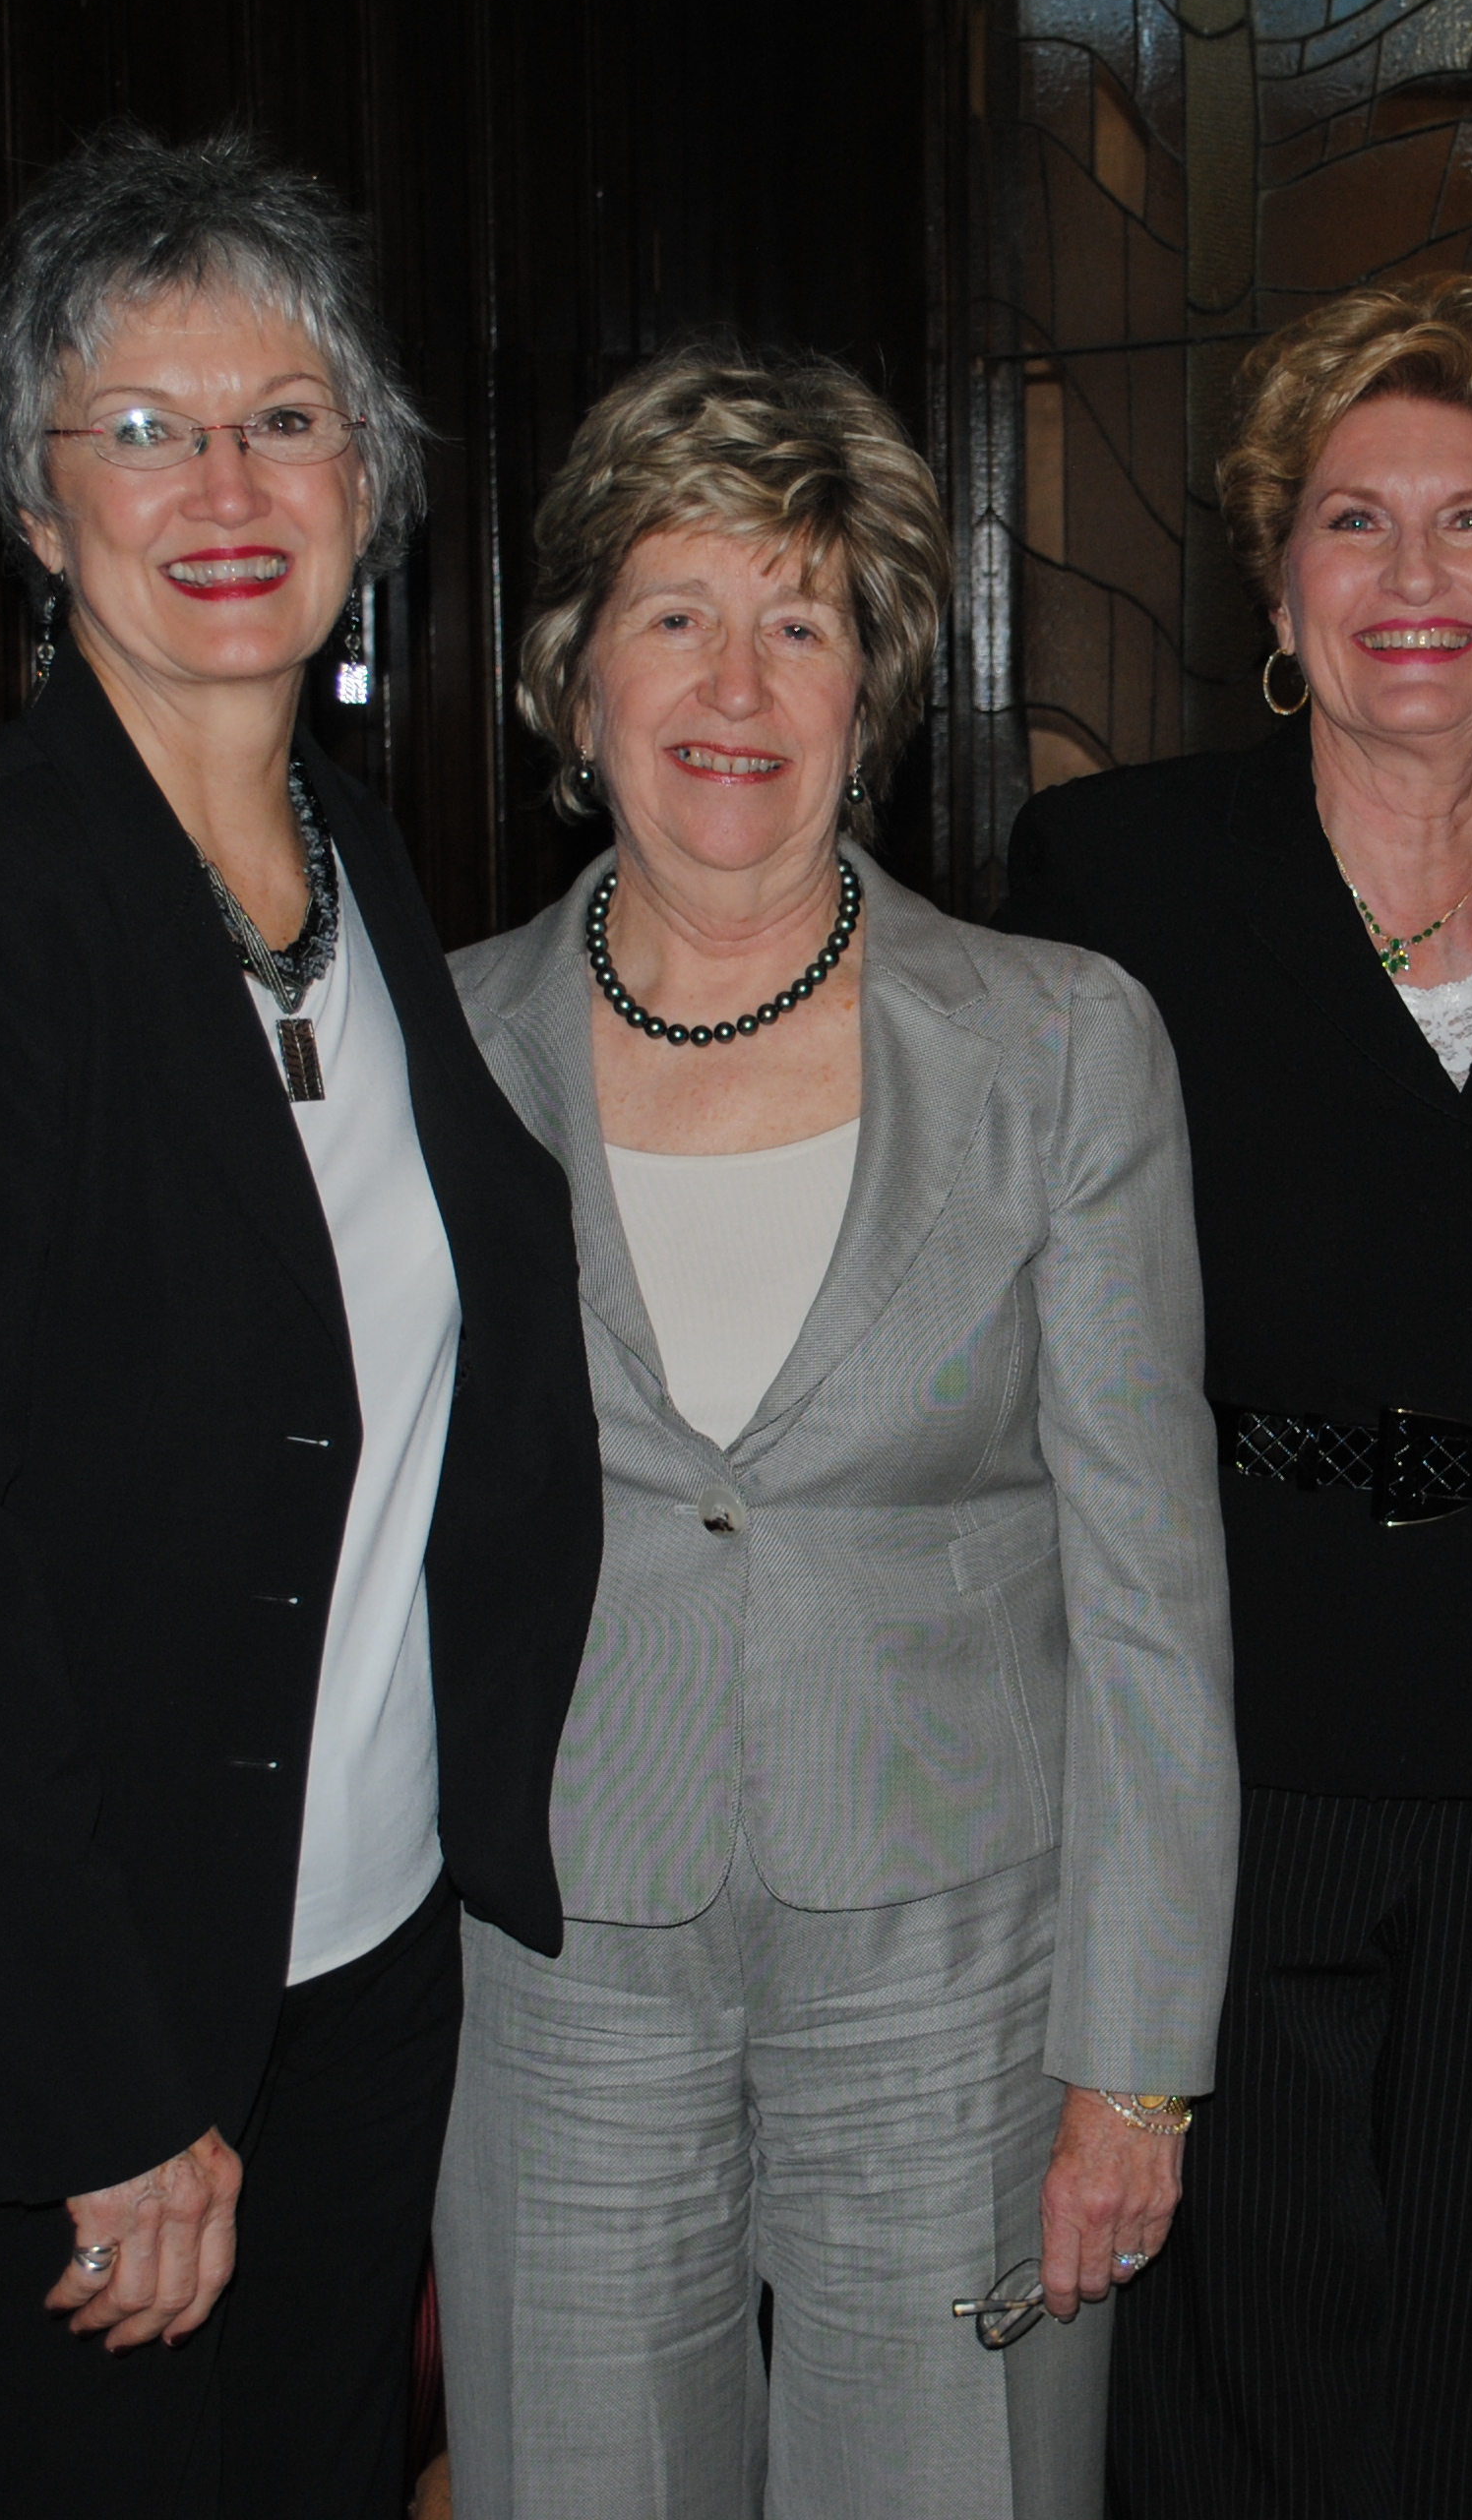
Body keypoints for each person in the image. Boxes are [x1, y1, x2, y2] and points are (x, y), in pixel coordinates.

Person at [0, 127, 602, 2519]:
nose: (226, 485)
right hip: (27, 2034)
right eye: (147, 427)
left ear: (372, 481)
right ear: (36, 499)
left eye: (285, 418)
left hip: (347, 1968)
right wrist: (99, 2093)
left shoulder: (355, 864)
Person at [423, 346, 1236, 2519]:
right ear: (574, 674)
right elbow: (268, 1429)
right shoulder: (437, 1047)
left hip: (958, 1978)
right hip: (562, 1959)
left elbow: (1153, 1598)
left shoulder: (1058, 1046)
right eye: (674, 612)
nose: (734, 683)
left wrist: (1138, 2067)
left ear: (869, 696)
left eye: (798, 622)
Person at [991, 275, 1472, 2517]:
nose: (1414, 575)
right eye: (1354, 520)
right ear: (1279, 587)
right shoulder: (1118, 880)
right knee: (1225, 2365)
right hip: (1231, 1720)